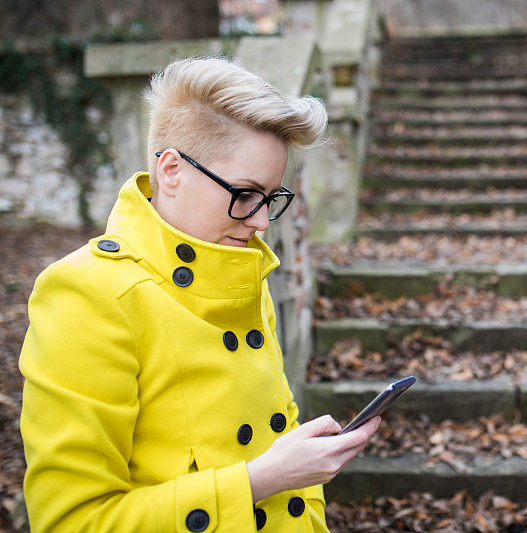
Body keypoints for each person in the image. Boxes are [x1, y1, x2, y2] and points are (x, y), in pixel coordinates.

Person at [18, 56, 381, 532]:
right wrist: (259, 480)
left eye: (271, 197)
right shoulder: (89, 293)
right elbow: (72, 521)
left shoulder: (240, 274)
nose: (260, 221)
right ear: (171, 171)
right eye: (245, 193)